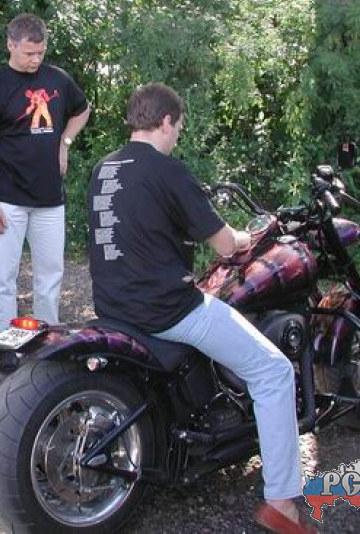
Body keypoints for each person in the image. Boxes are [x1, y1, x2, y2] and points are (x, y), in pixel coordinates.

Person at [87, 83, 314, 534]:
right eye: (178, 127)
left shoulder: (102, 168)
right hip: (167, 310)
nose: (178, 136)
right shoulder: (168, 170)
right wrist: (249, 237)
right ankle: (282, 504)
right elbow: (226, 245)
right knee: (273, 371)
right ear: (165, 121)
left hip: (113, 306)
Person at [0, 13, 90, 369]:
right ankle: (9, 346)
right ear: (10, 45)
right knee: (4, 277)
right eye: (28, 53)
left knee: (50, 274)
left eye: (40, 52)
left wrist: (65, 142)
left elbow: (82, 110)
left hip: (49, 199)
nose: (35, 59)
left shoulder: (58, 79)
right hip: (7, 198)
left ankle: (46, 341)